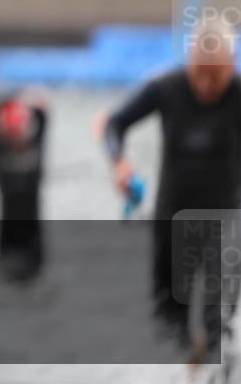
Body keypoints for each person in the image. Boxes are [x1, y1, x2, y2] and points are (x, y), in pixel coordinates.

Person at [103, 18, 241, 353]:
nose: (207, 85)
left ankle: (217, 367)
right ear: (190, 63)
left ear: (231, 66)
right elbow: (115, 124)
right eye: (200, 75)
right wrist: (119, 162)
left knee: (217, 320)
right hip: (172, 218)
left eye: (216, 76)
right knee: (170, 325)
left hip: (225, 221)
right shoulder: (167, 88)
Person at [0, 89, 49, 282]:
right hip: (7, 249)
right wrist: (10, 97)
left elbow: (44, 117)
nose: (17, 137)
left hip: (35, 250)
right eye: (13, 132)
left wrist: (30, 103)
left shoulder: (36, 151)